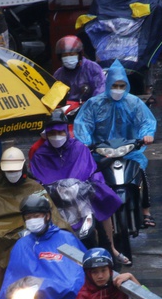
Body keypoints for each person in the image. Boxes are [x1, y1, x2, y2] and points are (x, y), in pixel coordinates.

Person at [31, 109, 131, 265]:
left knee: (103, 197)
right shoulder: (40, 155)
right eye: (52, 133)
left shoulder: (79, 148)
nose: (56, 136)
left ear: (66, 130)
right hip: (55, 200)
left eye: (60, 132)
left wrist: (92, 184)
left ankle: (111, 247)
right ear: (46, 134)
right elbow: (37, 180)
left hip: (82, 195)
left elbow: (91, 170)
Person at [75, 59, 158, 228]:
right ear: (108, 84)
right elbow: (83, 123)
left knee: (140, 172)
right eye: (115, 85)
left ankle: (146, 211)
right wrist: (85, 142)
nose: (118, 89)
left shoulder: (134, 103)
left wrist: (147, 135)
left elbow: (146, 122)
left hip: (129, 149)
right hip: (101, 151)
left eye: (121, 85)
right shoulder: (94, 104)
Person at [0, 147, 70, 294]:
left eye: (15, 170)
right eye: (9, 171)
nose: (13, 174)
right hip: (6, 241)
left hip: (37, 235)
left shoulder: (35, 187)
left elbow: (53, 215)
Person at [53, 35, 106, 103]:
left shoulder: (92, 68)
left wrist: (90, 104)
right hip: (66, 111)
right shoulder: (58, 74)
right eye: (65, 55)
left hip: (88, 109)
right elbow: (54, 98)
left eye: (72, 54)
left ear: (79, 54)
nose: (68, 57)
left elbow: (100, 91)